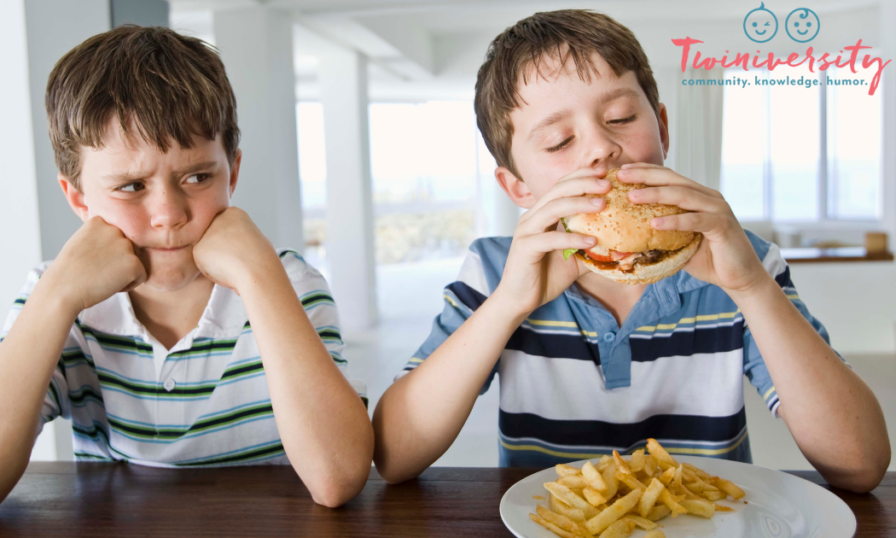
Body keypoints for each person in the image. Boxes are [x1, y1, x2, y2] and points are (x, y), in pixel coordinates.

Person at [371, 9, 889, 492]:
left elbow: (860, 464)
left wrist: (751, 287)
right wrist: (507, 305)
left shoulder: (745, 262)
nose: (600, 147)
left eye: (620, 117)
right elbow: (394, 456)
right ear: (519, 188)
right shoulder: (492, 271)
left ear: (661, 128)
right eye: (557, 142)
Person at [0, 26, 373, 528]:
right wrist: (55, 298)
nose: (168, 214)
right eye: (131, 186)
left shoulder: (289, 284)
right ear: (78, 197)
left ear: (233, 172)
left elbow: (337, 478)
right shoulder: (59, 300)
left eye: (198, 177)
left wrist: (259, 277)